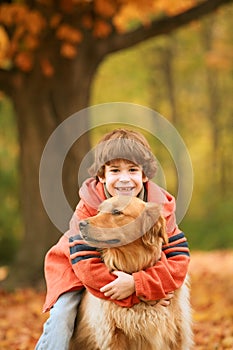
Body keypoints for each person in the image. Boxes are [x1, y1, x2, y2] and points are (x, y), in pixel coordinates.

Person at [35, 128, 190, 350]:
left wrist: (140, 284)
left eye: (133, 170)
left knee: (180, 295)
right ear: (101, 175)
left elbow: (180, 259)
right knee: (62, 317)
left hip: (132, 273)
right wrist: (138, 295)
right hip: (75, 268)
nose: (124, 178)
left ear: (144, 175)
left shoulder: (159, 209)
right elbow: (87, 266)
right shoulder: (88, 208)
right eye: (115, 170)